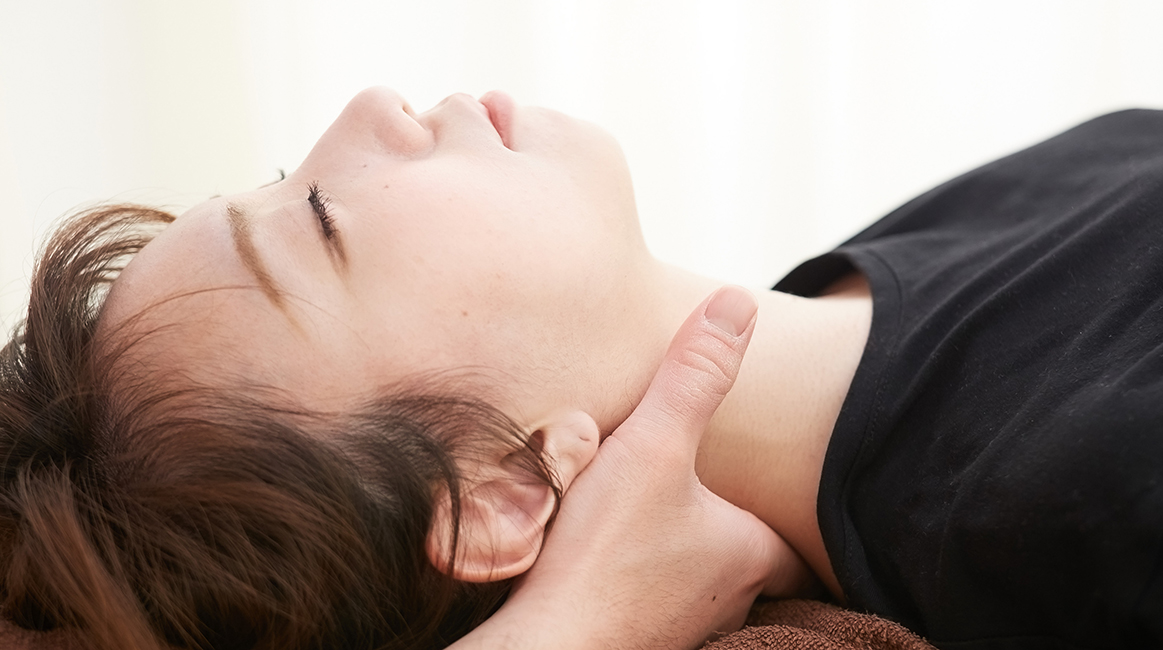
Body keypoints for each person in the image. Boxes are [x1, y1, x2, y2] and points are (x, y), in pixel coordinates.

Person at [0, 86, 1159, 649]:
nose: (367, 110)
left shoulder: (880, 269)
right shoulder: (1084, 496)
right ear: (497, 488)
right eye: (316, 218)